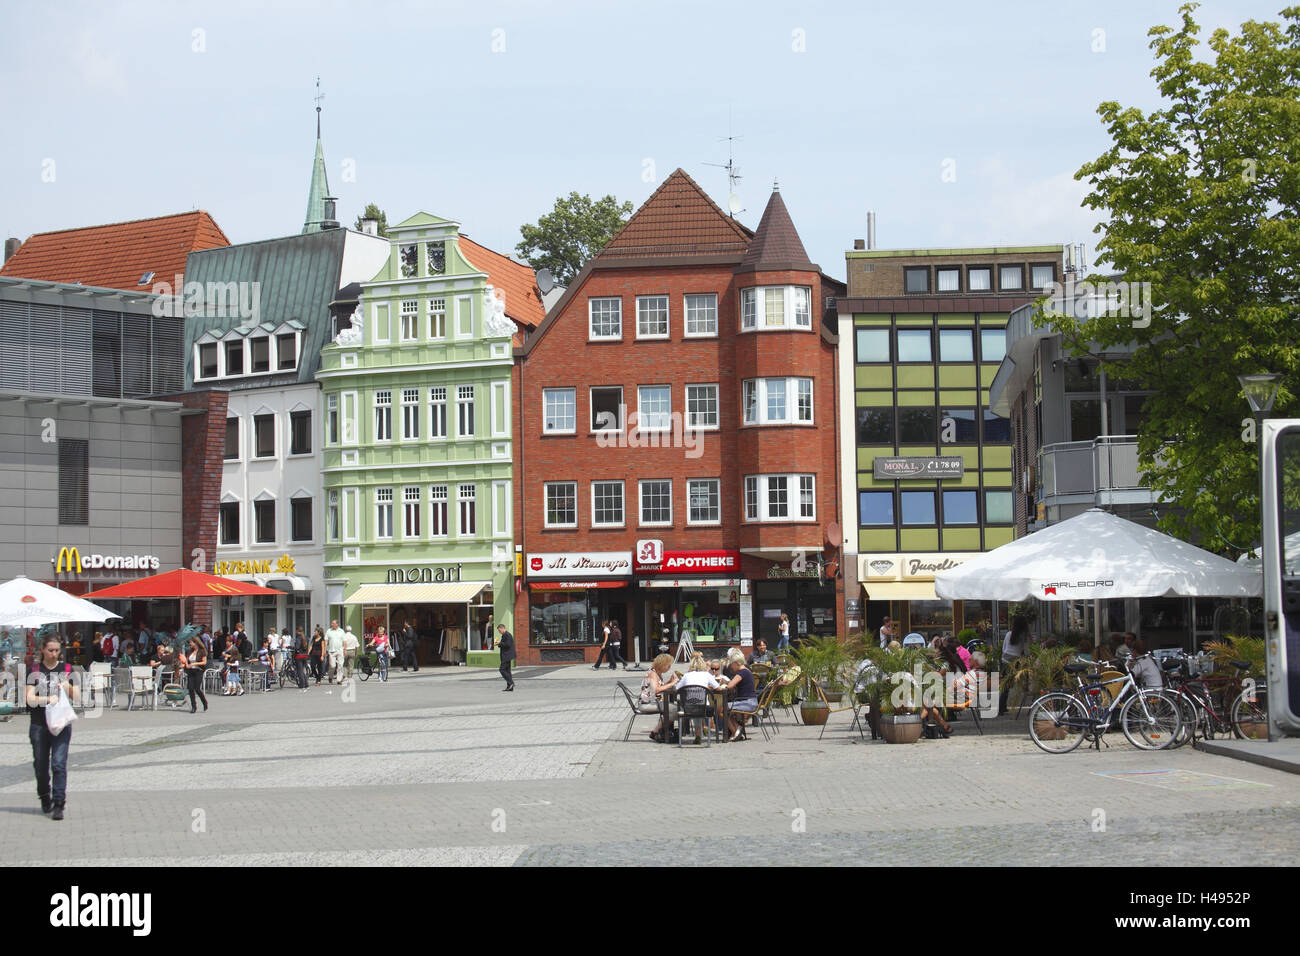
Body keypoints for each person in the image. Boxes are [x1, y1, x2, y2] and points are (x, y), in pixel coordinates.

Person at [26, 636, 79, 820]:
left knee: (58, 763)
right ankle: (44, 795)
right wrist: (47, 699)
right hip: (39, 725)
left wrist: (68, 687)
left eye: (57, 650)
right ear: (42, 649)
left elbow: (78, 697)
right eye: (50, 650)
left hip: (61, 725)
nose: (54, 654)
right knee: (40, 766)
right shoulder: (34, 670)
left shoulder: (66, 669)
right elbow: (29, 698)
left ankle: (59, 803)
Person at [677, 654, 722, 742]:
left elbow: (677, 688)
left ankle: (695, 734)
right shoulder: (706, 675)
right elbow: (719, 688)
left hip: (688, 707)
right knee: (699, 706)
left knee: (693, 705)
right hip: (703, 706)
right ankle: (699, 734)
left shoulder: (686, 675)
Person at [716, 649, 759, 742]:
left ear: (736, 663)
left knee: (720, 709)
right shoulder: (746, 671)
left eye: (731, 664)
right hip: (750, 701)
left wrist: (722, 685)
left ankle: (735, 730)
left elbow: (730, 686)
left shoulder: (741, 672)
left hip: (748, 702)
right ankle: (737, 730)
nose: (731, 667)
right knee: (725, 709)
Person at [639, 653, 679, 741]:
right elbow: (656, 690)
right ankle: (657, 731)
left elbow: (660, 686)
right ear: (662, 665)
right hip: (647, 704)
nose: (669, 668)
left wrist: (669, 682)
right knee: (674, 709)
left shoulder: (657, 673)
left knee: (672, 708)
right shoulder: (653, 674)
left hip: (655, 701)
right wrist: (673, 683)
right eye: (668, 665)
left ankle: (663, 731)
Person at [998, 614, 1030, 716]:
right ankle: (1026, 691)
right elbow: (1026, 651)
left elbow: (1004, 648)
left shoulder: (1008, 634)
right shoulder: (1024, 637)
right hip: (1015, 662)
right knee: (1020, 682)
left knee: (1005, 685)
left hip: (1005, 660)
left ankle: (1001, 707)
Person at [179, 636, 209, 714]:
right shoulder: (190, 651)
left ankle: (204, 702)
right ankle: (193, 706)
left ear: (195, 642)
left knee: (197, 688)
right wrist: (186, 664)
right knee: (190, 688)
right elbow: (187, 660)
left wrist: (194, 663)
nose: (190, 644)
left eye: (191, 642)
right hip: (191, 671)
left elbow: (204, 662)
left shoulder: (202, 651)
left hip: (199, 670)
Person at [325, 619, 346, 684]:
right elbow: (326, 640)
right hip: (331, 651)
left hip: (340, 650)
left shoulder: (341, 631)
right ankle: (330, 676)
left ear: (337, 624)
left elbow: (344, 641)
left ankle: (339, 680)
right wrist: (325, 649)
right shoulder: (329, 631)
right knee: (332, 666)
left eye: (333, 623)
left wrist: (345, 649)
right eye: (332, 623)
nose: (332, 625)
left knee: (340, 665)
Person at [496, 623, 515, 691]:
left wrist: (499, 643)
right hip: (506, 655)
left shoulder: (507, 635)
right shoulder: (505, 635)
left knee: (502, 669)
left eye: (499, 630)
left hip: (507, 656)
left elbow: (508, 644)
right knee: (507, 671)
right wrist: (499, 644)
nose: (499, 632)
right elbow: (504, 644)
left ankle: (511, 682)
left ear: (502, 628)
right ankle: (509, 686)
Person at [292, 626, 310, 692]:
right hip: (305, 656)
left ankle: (302, 684)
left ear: (297, 631)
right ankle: (306, 684)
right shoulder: (306, 637)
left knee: (300, 671)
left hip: (299, 656)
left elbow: (297, 647)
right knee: (303, 670)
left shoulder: (298, 638)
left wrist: (293, 648)